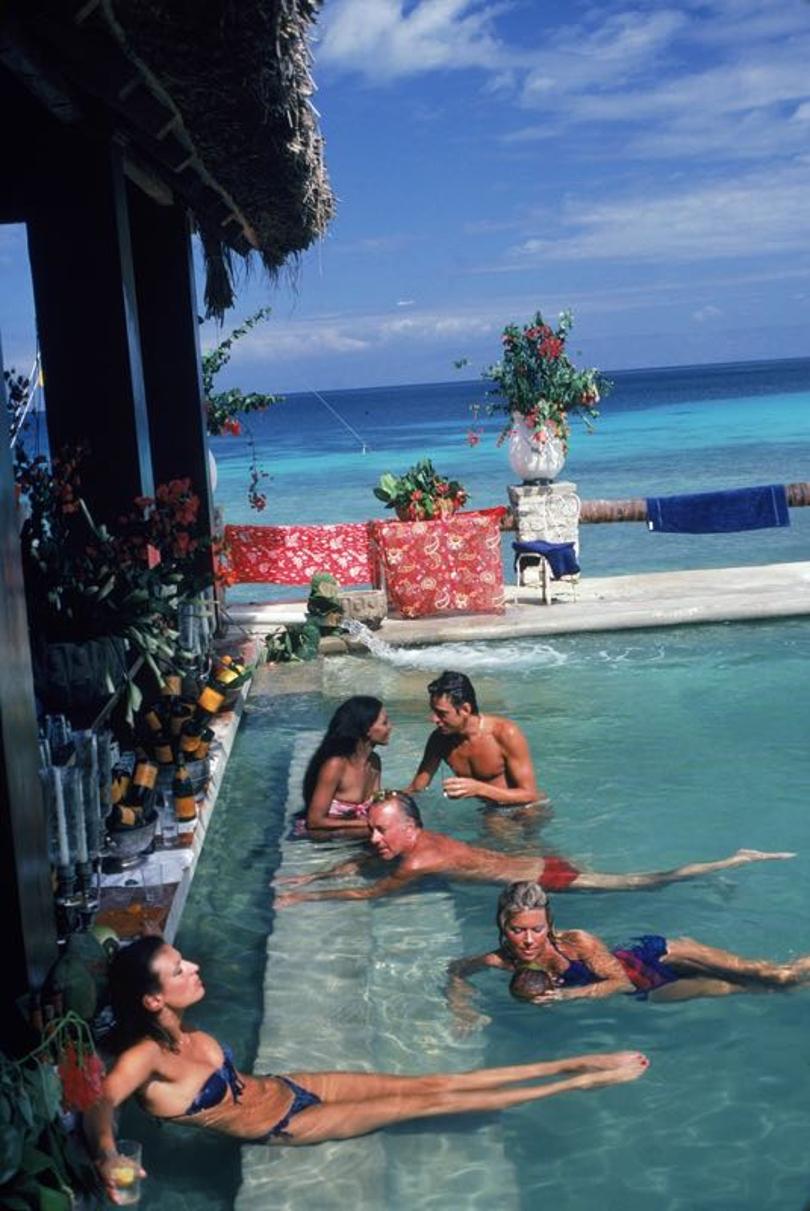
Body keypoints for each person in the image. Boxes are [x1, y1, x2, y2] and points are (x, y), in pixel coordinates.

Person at [85, 936, 649, 1201]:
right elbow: (101, 1101)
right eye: (179, 970)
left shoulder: (181, 1030)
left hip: (289, 1086)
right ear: (153, 1000)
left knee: (432, 1083)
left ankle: (575, 1058)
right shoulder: (146, 1055)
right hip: (285, 1126)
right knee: (430, 1103)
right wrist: (110, 1157)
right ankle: (581, 1079)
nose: (195, 965)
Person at [274, 790, 794, 907]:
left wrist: (304, 899)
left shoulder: (420, 859)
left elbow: (369, 894)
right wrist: (315, 875)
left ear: (410, 829)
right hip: (535, 865)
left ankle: (735, 860)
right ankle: (726, 865)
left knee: (646, 881)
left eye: (382, 830)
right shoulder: (414, 843)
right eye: (372, 830)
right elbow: (364, 860)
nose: (375, 839)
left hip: (548, 878)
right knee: (639, 876)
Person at [446, 882, 810, 1030]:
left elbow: (617, 981)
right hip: (648, 991)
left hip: (653, 957)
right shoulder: (500, 961)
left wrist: (568, 995)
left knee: (778, 977)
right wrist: (461, 1007)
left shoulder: (577, 943)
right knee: (759, 990)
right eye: (517, 930)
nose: (527, 940)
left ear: (549, 923)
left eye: (536, 929)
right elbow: (457, 970)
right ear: (502, 926)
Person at [406, 671, 547, 810]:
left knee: (498, 823)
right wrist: (387, 797)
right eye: (433, 712)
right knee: (494, 822)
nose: (434, 719)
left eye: (442, 713)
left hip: (528, 808)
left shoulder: (505, 733)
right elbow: (417, 788)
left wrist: (479, 789)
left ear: (465, 709)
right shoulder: (440, 740)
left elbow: (530, 794)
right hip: (493, 811)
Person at [296, 696, 392, 836]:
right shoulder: (336, 765)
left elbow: (376, 804)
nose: (390, 727)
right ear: (367, 729)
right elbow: (314, 821)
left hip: (352, 834)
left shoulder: (374, 762)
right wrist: (366, 823)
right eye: (384, 723)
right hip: (322, 837)